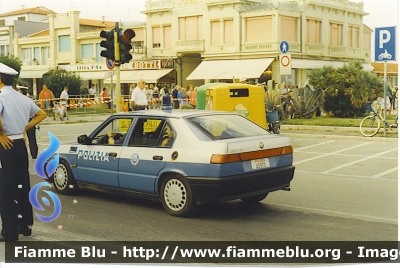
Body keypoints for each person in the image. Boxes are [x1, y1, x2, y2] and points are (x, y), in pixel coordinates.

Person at [0, 62, 47, 241]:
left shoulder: (1, 96)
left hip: (6, 146)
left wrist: (1, 134)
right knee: (22, 186)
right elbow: (42, 114)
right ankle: (25, 227)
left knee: (5, 190)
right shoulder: (22, 98)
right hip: (20, 144)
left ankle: (9, 232)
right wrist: (25, 128)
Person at [18, 87, 39, 159]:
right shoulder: (30, 100)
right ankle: (34, 154)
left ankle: (22, 155)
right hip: (30, 120)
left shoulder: (18, 101)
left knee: (20, 138)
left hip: (22, 121)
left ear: (21, 92)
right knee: (32, 138)